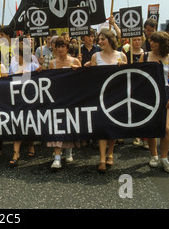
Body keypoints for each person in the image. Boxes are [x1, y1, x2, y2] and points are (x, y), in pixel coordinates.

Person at [88, 28, 127, 173]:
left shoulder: (122, 56)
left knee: (113, 126)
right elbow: (91, 79)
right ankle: (102, 159)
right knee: (102, 127)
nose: (100, 42)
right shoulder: (95, 56)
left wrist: (123, 67)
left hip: (117, 96)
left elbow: (126, 78)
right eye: (99, 39)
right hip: (101, 96)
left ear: (110, 40)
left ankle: (110, 152)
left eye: (102, 39)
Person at [139, 31, 169, 173]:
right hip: (149, 93)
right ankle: (154, 155)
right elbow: (138, 75)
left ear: (163, 43)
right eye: (151, 41)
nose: (152, 43)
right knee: (152, 126)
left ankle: (164, 157)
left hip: (165, 92)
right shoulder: (145, 56)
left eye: (155, 41)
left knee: (166, 128)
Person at [47, 37, 82, 169]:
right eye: (58, 47)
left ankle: (68, 150)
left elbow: (84, 80)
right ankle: (56, 157)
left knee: (69, 125)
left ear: (67, 48)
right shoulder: (52, 63)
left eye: (63, 47)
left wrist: (77, 71)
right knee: (56, 126)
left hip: (71, 99)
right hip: (57, 99)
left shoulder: (75, 61)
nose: (60, 49)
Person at [8, 45, 42, 167]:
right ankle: (16, 153)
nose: (15, 57)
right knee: (16, 123)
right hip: (17, 98)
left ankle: (31, 144)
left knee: (30, 122)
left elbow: (41, 75)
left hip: (30, 97)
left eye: (17, 55)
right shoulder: (13, 66)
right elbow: (7, 79)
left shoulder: (32, 65)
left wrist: (40, 69)